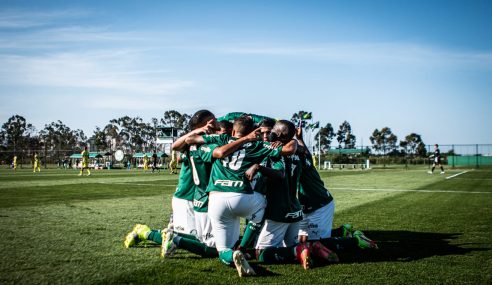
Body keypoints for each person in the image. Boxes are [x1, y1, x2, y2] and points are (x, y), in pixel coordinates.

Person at [183, 115, 297, 277]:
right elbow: (289, 150)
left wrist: (205, 132)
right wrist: (293, 138)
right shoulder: (258, 144)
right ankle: (243, 248)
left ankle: (232, 254)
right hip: (244, 198)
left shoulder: (221, 138)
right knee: (260, 208)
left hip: (216, 199)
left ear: (233, 129)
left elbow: (191, 139)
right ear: (252, 131)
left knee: (222, 251)